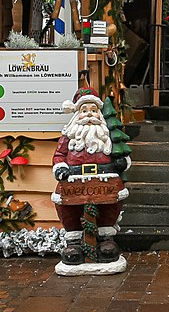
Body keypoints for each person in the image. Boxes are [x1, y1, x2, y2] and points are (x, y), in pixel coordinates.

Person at [51, 87, 129, 267]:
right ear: (77, 113)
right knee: (68, 205)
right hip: (74, 179)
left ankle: (105, 239)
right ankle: (74, 241)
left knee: (110, 203)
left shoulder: (106, 134)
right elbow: (59, 156)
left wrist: (121, 162)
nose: (89, 115)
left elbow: (118, 150)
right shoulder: (69, 135)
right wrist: (61, 168)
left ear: (99, 113)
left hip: (104, 176)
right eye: (84, 111)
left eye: (93, 111)